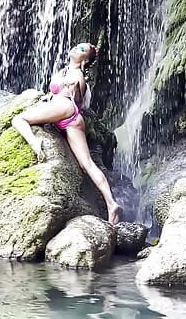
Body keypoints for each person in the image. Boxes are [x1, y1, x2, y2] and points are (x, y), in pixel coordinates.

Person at [10, 43, 122, 225]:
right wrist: (50, 97)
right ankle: (112, 204)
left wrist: (75, 89)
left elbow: (78, 96)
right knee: (86, 164)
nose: (76, 48)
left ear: (85, 60)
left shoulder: (77, 75)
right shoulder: (65, 71)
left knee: (19, 120)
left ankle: (34, 143)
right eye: (78, 46)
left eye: (82, 50)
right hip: (72, 118)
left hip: (65, 109)